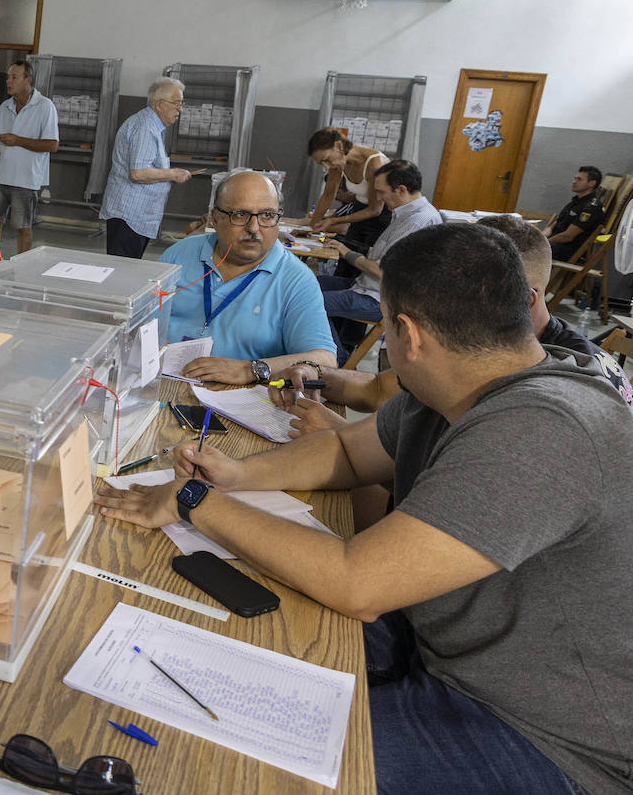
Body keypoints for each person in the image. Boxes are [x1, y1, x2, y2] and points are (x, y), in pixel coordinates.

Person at [98, 224, 633, 795]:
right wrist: (236, 475)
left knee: (242, 764)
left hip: (537, 731)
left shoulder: (541, 428)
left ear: (407, 334)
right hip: (444, 646)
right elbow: (350, 452)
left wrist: (193, 501)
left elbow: (358, 583)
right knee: (223, 649)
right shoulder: (461, 380)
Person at [271, 213, 633, 435]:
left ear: (525, 300)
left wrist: (343, 436)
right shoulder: (482, 345)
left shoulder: (554, 392)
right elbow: (379, 390)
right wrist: (314, 374)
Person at [156, 171, 337, 385]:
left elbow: (325, 360)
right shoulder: (178, 255)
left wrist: (252, 369)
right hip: (164, 381)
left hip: (243, 394)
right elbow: (139, 320)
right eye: (240, 214)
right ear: (214, 218)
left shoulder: (296, 280)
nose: (253, 228)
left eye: (267, 215)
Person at [317, 159, 442, 365]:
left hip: (380, 299)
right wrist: (344, 245)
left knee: (310, 304)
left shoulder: (417, 220)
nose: (378, 198)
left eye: (382, 192)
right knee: (307, 284)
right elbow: (380, 254)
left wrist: (347, 253)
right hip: (367, 287)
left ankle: (337, 362)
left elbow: (383, 271)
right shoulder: (404, 214)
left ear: (401, 190)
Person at [0, 59, 59, 263]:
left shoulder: (45, 106)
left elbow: (52, 145)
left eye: (14, 77)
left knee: (23, 227)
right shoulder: (5, 106)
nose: (8, 81)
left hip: (26, 179)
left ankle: (21, 271)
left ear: (28, 80)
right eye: (8, 77)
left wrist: (17, 140)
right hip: (0, 177)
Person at [98, 78, 192, 258]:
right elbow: (138, 173)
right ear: (160, 104)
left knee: (128, 266)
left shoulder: (152, 125)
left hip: (136, 214)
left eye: (181, 103)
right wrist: (172, 174)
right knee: (122, 268)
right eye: (176, 103)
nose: (180, 109)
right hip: (129, 215)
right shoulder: (145, 127)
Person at [304, 127, 390, 231]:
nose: (326, 167)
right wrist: (311, 228)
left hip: (381, 218)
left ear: (338, 146)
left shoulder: (374, 164)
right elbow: (328, 196)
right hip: (359, 212)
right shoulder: (338, 162)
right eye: (321, 163)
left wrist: (332, 221)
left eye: (326, 160)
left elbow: (375, 210)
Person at [542, 166, 605, 262]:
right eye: (575, 178)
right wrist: (540, 237)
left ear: (592, 183)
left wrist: (543, 242)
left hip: (567, 250)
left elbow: (568, 236)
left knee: (527, 250)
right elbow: (555, 224)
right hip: (554, 244)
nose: (574, 181)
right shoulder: (576, 202)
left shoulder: (591, 208)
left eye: (579, 179)